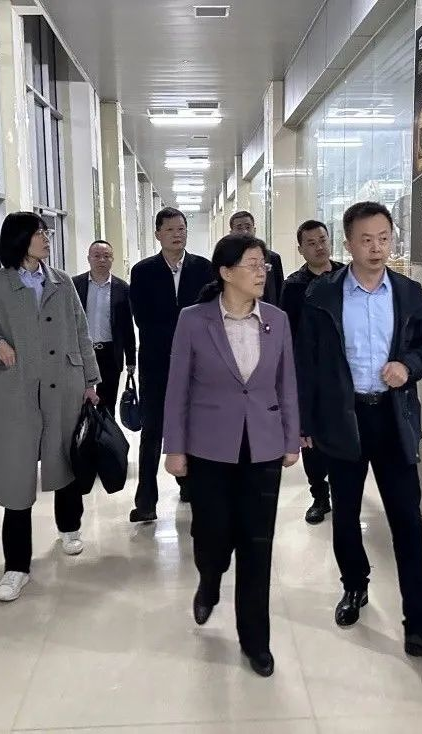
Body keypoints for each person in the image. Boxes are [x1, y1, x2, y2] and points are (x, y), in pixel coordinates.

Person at [295, 201, 422, 660]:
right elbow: (306, 362)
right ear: (348, 244)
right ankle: (354, 585)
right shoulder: (322, 296)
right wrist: (304, 422)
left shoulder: (408, 293)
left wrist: (407, 366)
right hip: (343, 418)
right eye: (366, 240)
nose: (376, 248)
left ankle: (419, 625)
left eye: (384, 238)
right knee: (346, 514)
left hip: (392, 418)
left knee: (406, 520)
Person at [162, 233, 300, 678]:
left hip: (263, 446)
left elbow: (286, 382)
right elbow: (177, 388)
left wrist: (291, 439)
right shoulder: (194, 320)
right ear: (225, 272)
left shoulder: (276, 320)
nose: (262, 272)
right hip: (209, 449)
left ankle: (255, 640)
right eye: (252, 264)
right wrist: (174, 448)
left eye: (264, 265)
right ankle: (209, 580)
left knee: (258, 545)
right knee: (213, 535)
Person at [0, 212, 101, 602]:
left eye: (46, 232)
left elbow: (81, 332)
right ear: (19, 240)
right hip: (15, 393)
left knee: (65, 459)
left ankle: (70, 528)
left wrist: (90, 381)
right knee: (16, 479)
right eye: (38, 233)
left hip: (64, 387)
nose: (46, 238)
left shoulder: (62, 282)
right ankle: (16, 567)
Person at [128, 207, 215, 522]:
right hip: (156, 363)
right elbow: (142, 318)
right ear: (158, 234)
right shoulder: (143, 271)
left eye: (182, 229)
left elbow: (211, 314)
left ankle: (190, 486)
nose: (177, 235)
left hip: (197, 363)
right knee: (152, 430)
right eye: (170, 230)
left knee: (195, 427)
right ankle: (146, 502)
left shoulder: (204, 268)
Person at [280, 220, 344, 525]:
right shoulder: (294, 286)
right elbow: (286, 334)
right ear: (301, 249)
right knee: (312, 439)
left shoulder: (347, 276)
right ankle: (319, 495)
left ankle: (344, 493)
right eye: (311, 243)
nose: (319, 247)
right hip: (309, 374)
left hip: (345, 372)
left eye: (323, 240)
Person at [72, 240, 136, 419]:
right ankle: (83, 437)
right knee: (80, 404)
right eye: (97, 256)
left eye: (106, 256)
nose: (102, 260)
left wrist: (131, 360)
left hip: (110, 353)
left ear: (112, 259)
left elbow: (127, 326)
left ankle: (105, 436)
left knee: (107, 406)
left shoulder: (122, 288)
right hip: (82, 353)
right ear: (89, 258)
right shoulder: (75, 285)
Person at [230, 210, 284, 305]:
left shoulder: (272, 258)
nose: (245, 231)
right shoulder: (226, 260)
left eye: (248, 227)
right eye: (239, 228)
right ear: (231, 233)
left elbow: (280, 291)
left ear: (254, 230)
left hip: (268, 311)